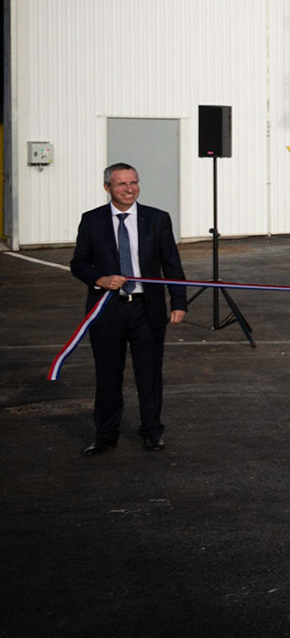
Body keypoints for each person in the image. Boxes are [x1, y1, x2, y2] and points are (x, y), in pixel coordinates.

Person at [69, 163, 188, 456]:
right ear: (107, 187)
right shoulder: (92, 220)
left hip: (147, 310)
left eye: (134, 182)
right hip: (107, 310)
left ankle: (151, 432)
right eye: (121, 184)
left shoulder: (157, 219)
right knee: (108, 375)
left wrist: (179, 301)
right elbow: (79, 263)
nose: (129, 189)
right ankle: (106, 435)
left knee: (149, 375)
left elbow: (171, 263)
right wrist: (99, 278)